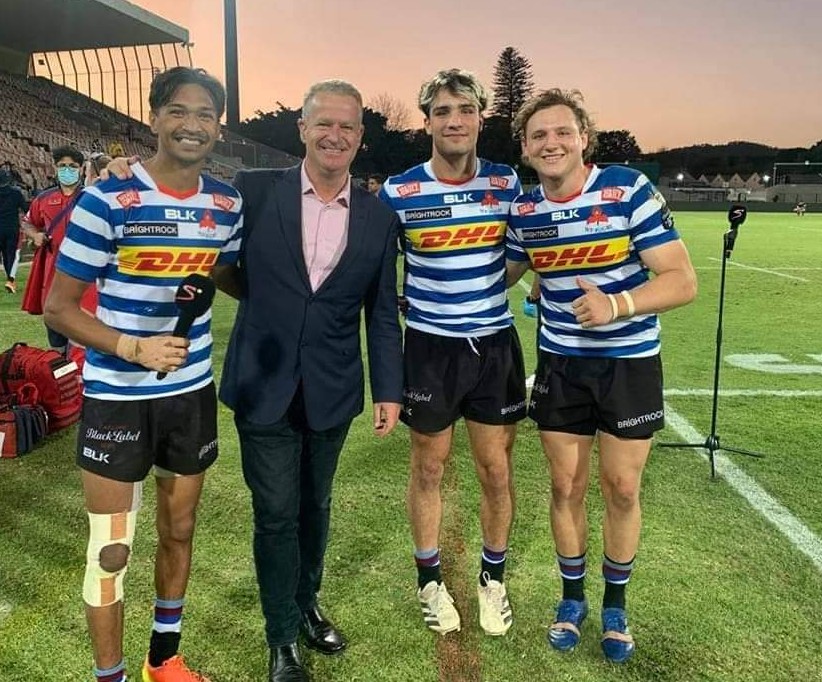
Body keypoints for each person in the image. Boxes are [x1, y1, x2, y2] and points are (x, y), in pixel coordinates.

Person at [44, 67, 243, 682]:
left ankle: (165, 658)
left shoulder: (226, 203)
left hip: (191, 397)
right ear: (154, 119)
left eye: (206, 114)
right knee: (111, 550)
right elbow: (59, 308)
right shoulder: (108, 197)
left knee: (179, 530)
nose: (192, 124)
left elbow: (232, 278)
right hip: (117, 399)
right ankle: (112, 676)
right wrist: (134, 348)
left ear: (219, 126)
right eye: (179, 111)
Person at [214, 80, 403, 682]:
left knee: (315, 506)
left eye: (348, 127)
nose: (335, 135)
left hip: (332, 385)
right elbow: (223, 267)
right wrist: (271, 305)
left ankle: (306, 603)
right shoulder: (255, 191)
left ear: (360, 138)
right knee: (275, 513)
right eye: (324, 123)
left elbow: (380, 311)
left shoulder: (378, 216)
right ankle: (280, 640)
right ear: (302, 128)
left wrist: (390, 390)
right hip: (263, 379)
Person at [506, 89, 697, 663]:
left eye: (562, 131)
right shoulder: (525, 210)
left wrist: (616, 306)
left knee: (622, 488)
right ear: (524, 148)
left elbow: (681, 281)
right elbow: (504, 272)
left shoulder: (627, 190)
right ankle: (572, 599)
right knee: (565, 487)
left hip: (629, 365)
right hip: (562, 366)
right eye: (538, 135)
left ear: (583, 138)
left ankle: (615, 606)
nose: (551, 143)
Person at [379, 69, 526, 637]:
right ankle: (430, 581)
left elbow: (518, 258)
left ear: (480, 118)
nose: (454, 120)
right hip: (430, 349)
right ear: (428, 123)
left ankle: (493, 578)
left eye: (464, 109)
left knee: (495, 468)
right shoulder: (401, 191)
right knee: (429, 466)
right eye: (442, 111)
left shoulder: (507, 183)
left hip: (493, 346)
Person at [21, 146, 94, 352]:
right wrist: (35, 235)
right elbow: (27, 222)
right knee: (55, 336)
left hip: (87, 277)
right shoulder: (43, 199)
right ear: (55, 168)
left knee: (83, 337)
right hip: (52, 275)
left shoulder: (92, 198)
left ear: (81, 169)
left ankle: (80, 376)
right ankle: (59, 374)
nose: (67, 170)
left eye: (72, 166)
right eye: (63, 166)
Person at [0, 168, 27, 293]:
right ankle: (10, 280)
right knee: (10, 255)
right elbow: (25, 208)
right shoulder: (15, 193)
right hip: (11, 228)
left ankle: (10, 281)